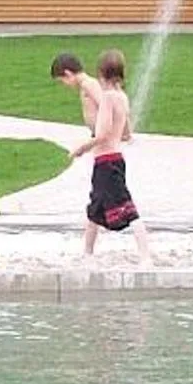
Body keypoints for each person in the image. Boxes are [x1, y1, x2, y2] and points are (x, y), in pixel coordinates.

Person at [52, 49, 151, 261]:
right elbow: (122, 117)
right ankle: (87, 252)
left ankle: (145, 255)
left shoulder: (97, 90)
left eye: (62, 80)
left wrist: (84, 147)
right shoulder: (119, 96)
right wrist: (125, 132)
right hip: (106, 154)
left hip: (106, 155)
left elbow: (105, 126)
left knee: (128, 209)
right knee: (95, 208)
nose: (64, 85)